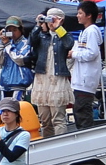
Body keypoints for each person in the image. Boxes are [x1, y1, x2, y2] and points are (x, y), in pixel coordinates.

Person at [30, 8, 74, 138]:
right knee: (45, 121)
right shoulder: (42, 36)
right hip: (42, 80)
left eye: (53, 18)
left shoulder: (65, 35)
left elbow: (69, 44)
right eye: (48, 18)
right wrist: (38, 24)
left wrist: (58, 28)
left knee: (58, 119)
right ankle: (48, 146)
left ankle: (61, 148)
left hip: (57, 80)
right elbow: (31, 41)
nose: (50, 22)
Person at [68, 0, 102, 130]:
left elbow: (92, 53)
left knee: (83, 112)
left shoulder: (92, 31)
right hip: (80, 80)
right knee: (79, 111)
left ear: (89, 15)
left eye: (80, 13)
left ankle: (88, 141)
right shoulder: (85, 32)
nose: (77, 16)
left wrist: (74, 54)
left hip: (86, 81)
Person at [0, 16, 34, 99]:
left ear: (21, 30)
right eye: (9, 30)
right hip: (5, 84)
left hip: (19, 84)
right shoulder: (7, 44)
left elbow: (20, 59)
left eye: (15, 30)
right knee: (5, 111)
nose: (12, 33)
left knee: (16, 110)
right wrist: (1, 43)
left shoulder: (26, 43)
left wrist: (7, 45)